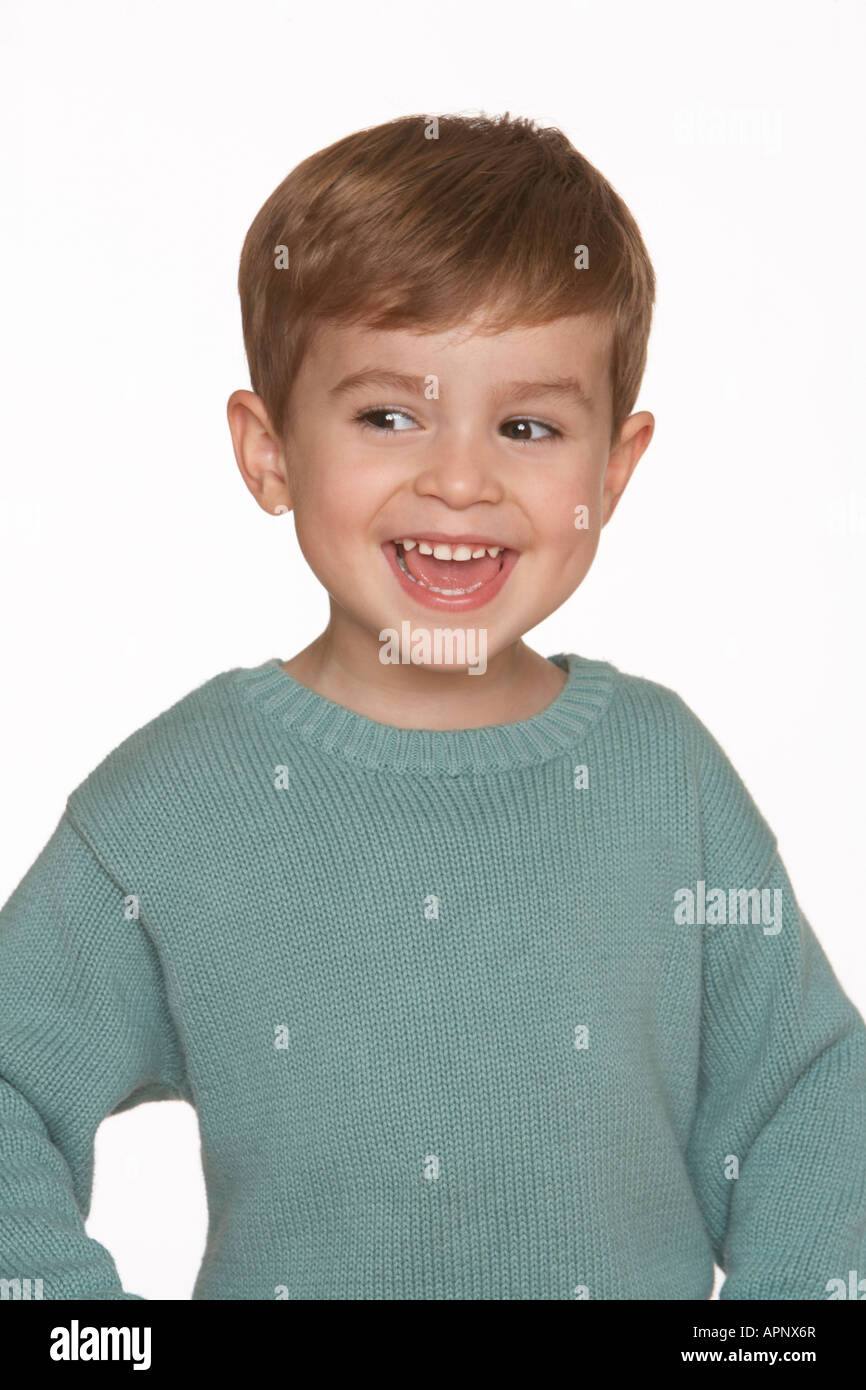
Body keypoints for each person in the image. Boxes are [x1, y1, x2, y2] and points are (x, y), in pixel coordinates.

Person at [1, 112, 864, 1301]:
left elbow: (807, 1103)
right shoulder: (176, 805)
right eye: (388, 415)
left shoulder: (665, 778)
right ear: (269, 454)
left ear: (610, 471)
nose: (459, 479)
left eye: (526, 426)